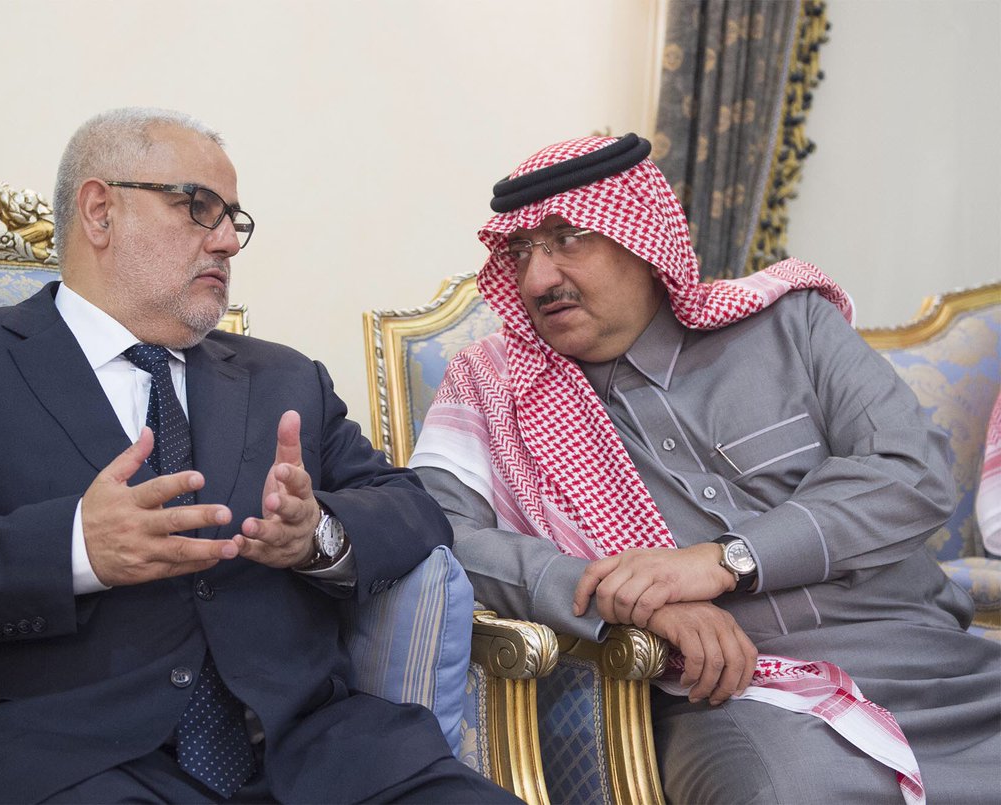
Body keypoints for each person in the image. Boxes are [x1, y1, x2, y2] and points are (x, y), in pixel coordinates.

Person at [0, 107, 517, 804]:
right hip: (67, 762)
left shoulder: (283, 377)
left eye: (234, 219)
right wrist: (72, 547)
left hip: (321, 756)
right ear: (100, 212)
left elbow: (413, 507)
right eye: (198, 207)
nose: (227, 242)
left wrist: (317, 536)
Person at [411, 134, 1001, 804]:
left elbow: (910, 469)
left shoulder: (791, 324)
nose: (537, 279)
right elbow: (439, 531)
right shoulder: (497, 386)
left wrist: (726, 560)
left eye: (567, 239)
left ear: (640, 236)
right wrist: (619, 594)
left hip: (929, 660)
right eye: (521, 252)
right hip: (736, 692)